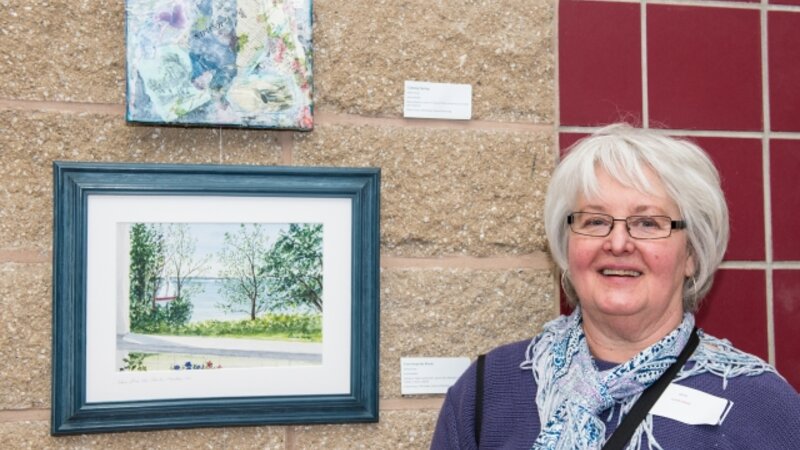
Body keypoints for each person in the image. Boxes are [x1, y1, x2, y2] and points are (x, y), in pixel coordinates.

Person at [431, 124, 800, 449]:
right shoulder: (487, 389)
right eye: (594, 221)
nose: (619, 243)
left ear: (691, 254)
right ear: (567, 247)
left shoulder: (760, 404)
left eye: (648, 223)